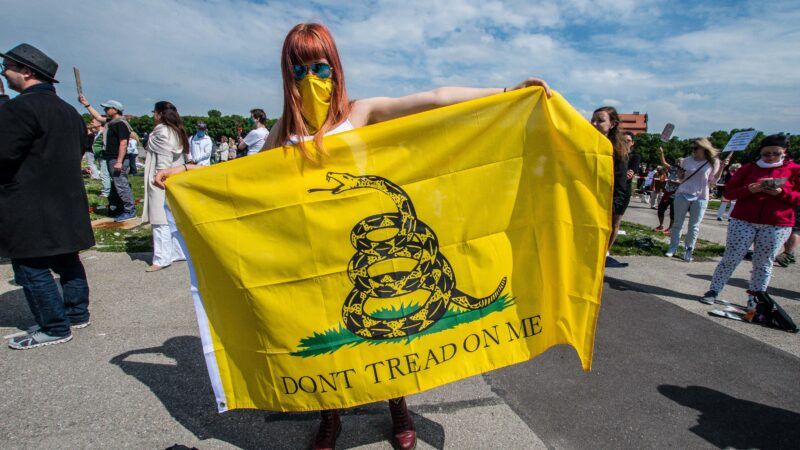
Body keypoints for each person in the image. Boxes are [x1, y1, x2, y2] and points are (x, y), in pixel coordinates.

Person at [156, 22, 552, 450]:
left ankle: (397, 407)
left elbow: (433, 99)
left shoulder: (359, 113)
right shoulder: (282, 133)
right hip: (309, 251)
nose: (311, 79)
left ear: (335, 69)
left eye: (320, 68)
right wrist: (187, 175)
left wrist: (506, 92)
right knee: (319, 326)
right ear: (287, 74)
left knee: (385, 339)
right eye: (299, 69)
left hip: (365, 245)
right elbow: (238, 178)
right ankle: (331, 418)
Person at [0, 43, 95, 349]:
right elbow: (80, 149)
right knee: (67, 259)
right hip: (65, 198)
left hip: (29, 200)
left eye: (8, 68)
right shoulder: (68, 111)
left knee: (31, 265)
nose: (4, 73)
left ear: (27, 71)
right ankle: (76, 312)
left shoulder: (21, 108)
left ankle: (54, 326)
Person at [701, 134, 800, 305]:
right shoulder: (748, 168)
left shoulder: (795, 170)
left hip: (777, 223)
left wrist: (782, 193)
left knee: (763, 262)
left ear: (784, 152)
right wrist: (749, 190)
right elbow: (729, 193)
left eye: (775, 154)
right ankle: (714, 289)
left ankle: (755, 299)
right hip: (744, 219)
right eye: (766, 154)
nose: (770, 158)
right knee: (732, 257)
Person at [142, 101, 188, 272]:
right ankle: (177, 251)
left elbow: (163, 159)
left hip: (161, 179)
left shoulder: (162, 131)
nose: (153, 116)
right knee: (171, 219)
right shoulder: (176, 130)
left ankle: (161, 258)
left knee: (159, 219)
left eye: (154, 112)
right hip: (172, 178)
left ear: (160, 114)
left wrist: (159, 176)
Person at [79, 94, 137, 221]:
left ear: (115, 109)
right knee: (117, 185)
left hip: (117, 158)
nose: (105, 111)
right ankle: (121, 208)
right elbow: (98, 117)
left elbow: (123, 143)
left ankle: (130, 210)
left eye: (107, 108)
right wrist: (86, 104)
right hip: (112, 158)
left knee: (121, 185)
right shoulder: (112, 122)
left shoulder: (120, 124)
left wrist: (119, 162)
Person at [665, 138, 723, 262]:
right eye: (692, 148)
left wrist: (722, 168)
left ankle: (688, 250)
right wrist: (680, 171)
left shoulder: (713, 162)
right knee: (677, 223)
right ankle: (672, 248)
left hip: (701, 196)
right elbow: (681, 178)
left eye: (696, 148)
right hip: (683, 193)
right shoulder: (686, 160)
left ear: (704, 148)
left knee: (694, 226)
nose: (693, 150)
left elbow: (712, 182)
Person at [591, 106, 632, 268]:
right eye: (593, 119)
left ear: (612, 124)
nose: (594, 123)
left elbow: (620, 187)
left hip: (602, 209)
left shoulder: (616, 151)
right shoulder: (584, 144)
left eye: (600, 121)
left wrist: (609, 212)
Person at [654, 150, 682, 233]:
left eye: (680, 162)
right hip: (667, 193)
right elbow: (663, 162)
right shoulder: (672, 169)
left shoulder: (685, 171)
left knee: (672, 213)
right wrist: (661, 152)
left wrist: (675, 182)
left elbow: (685, 182)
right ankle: (661, 225)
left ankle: (670, 228)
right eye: (677, 161)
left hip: (676, 195)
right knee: (660, 209)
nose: (678, 163)